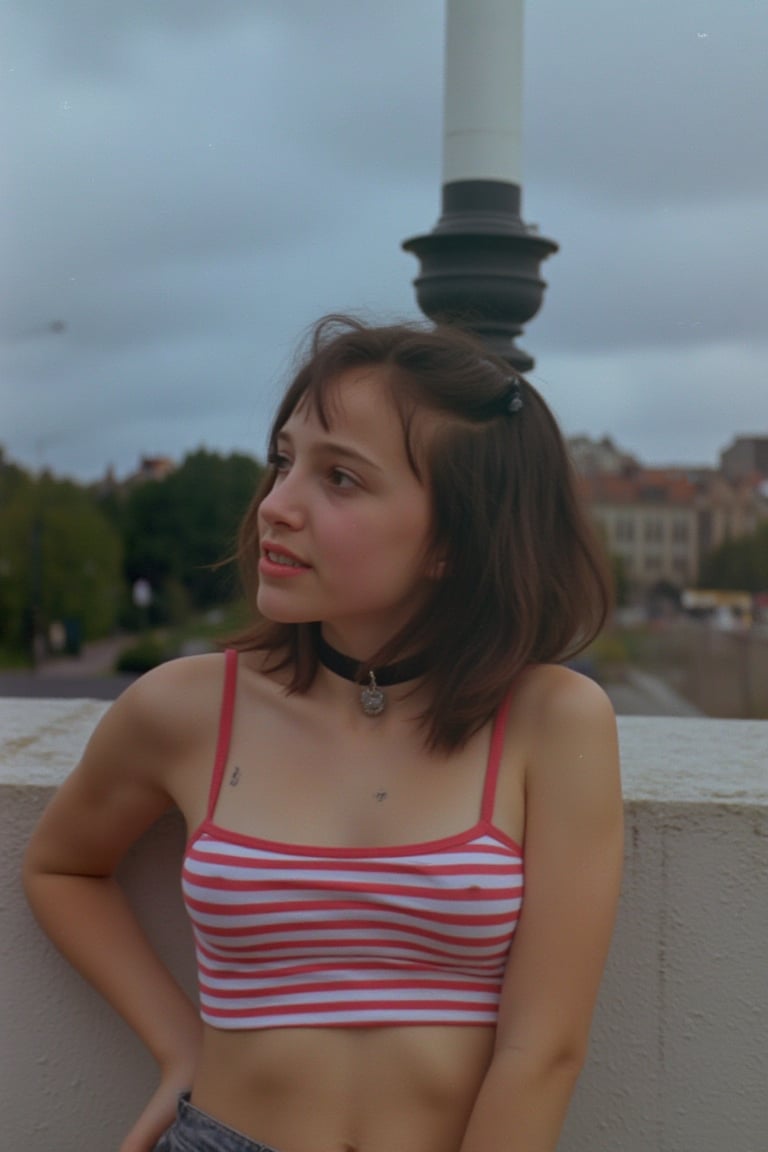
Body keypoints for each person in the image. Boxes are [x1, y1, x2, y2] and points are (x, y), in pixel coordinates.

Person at [24, 316, 623, 1152]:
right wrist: (179, 1046)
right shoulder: (185, 707)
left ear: (453, 538)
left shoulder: (551, 722)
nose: (276, 506)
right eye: (283, 461)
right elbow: (61, 865)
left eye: (339, 477)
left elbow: (543, 1051)